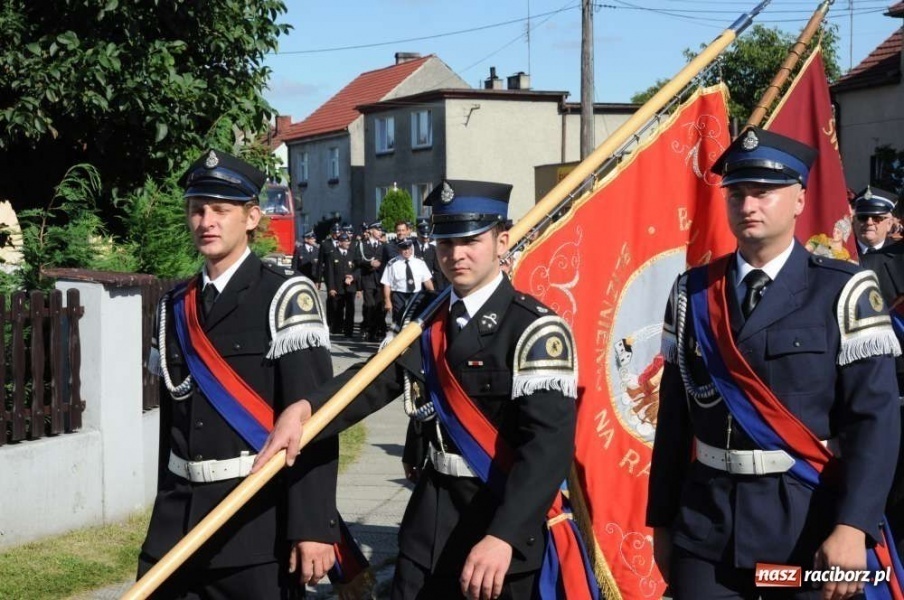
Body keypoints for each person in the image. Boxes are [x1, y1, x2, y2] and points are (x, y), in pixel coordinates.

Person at [253, 179, 581, 599]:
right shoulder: (425, 318)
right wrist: (307, 409)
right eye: (446, 242)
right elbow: (373, 381)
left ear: (502, 242)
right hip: (430, 523)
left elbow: (547, 451)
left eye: (470, 241)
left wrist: (504, 536)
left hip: (498, 525)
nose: (456, 254)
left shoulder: (534, 329)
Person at [647, 127, 902, 600]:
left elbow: (875, 421)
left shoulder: (843, 290)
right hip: (708, 532)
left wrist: (854, 526)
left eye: (764, 192)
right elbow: (674, 420)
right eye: (737, 193)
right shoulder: (693, 292)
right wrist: (662, 522)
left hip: (806, 530)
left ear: (800, 199)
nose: (748, 205)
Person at [138, 149, 339, 597]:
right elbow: (172, 427)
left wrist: (313, 526)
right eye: (197, 210)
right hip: (177, 523)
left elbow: (315, 421)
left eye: (220, 210)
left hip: (255, 523)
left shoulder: (285, 297)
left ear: (251, 218)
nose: (206, 221)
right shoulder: (174, 306)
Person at [381, 237, 435, 323]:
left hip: (416, 295)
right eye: (404, 249)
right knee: (399, 319)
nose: (406, 251)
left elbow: (427, 281)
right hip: (399, 296)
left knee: (415, 319)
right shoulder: (392, 264)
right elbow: (387, 284)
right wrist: (387, 301)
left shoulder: (419, 262)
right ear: (399, 250)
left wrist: (433, 297)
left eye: (408, 249)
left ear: (411, 249)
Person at [356, 221, 386, 342]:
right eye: (377, 230)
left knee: (379, 306)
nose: (380, 232)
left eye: (380, 230)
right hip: (367, 278)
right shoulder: (362, 245)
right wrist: (369, 263)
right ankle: (368, 328)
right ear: (371, 230)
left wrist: (380, 264)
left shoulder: (383, 245)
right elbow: (357, 260)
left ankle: (376, 330)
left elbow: (387, 260)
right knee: (369, 305)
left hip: (380, 279)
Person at [328, 232, 358, 337]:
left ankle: (349, 331)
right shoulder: (333, 254)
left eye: (348, 241)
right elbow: (330, 272)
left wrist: (353, 277)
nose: (347, 243)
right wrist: (331, 288)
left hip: (350, 287)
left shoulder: (352, 254)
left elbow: (357, 269)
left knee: (350, 309)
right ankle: (337, 328)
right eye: (345, 241)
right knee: (338, 308)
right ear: (339, 242)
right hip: (338, 286)